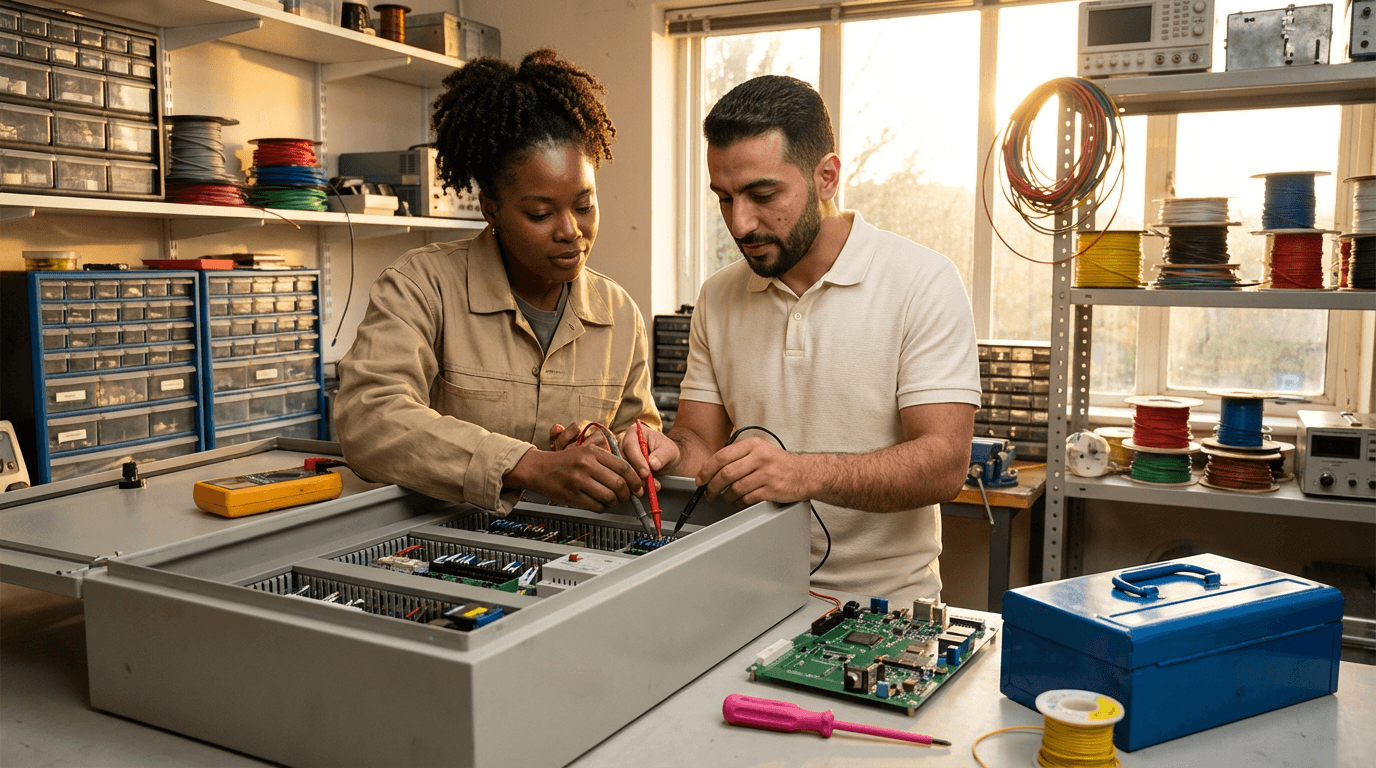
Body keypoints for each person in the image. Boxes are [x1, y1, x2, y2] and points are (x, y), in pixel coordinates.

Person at [626, 75, 980, 602]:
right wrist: (667, 454)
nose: (740, 224)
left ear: (826, 177)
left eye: (762, 195)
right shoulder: (718, 296)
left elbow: (944, 464)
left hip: (886, 607)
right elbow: (699, 443)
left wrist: (802, 473)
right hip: (748, 592)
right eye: (724, 198)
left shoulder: (923, 281)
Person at [335, 49, 658, 514]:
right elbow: (370, 420)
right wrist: (528, 465)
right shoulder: (421, 287)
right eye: (540, 213)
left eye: (584, 206)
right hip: (443, 539)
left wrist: (613, 449)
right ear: (492, 210)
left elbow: (638, 435)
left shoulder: (619, 314)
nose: (571, 230)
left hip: (568, 544)